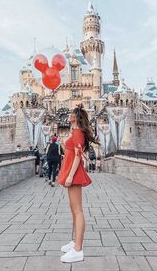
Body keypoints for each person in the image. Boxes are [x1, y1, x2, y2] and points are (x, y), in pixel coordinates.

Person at [57, 104, 99, 263]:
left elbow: (77, 156)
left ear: (76, 116)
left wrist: (70, 176)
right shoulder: (74, 131)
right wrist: (63, 142)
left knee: (78, 210)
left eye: (71, 113)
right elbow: (70, 151)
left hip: (73, 174)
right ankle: (75, 242)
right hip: (70, 171)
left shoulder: (78, 133)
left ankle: (78, 250)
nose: (68, 114)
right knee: (73, 210)